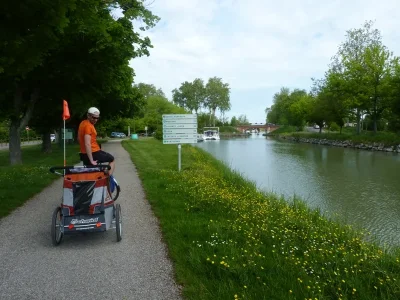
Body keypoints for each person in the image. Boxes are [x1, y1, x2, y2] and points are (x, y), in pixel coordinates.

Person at [78, 107, 115, 176]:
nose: (95, 120)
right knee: (112, 159)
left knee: (90, 173)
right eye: (93, 117)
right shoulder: (88, 126)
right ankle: (108, 178)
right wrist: (91, 160)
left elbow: (79, 138)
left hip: (83, 153)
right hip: (94, 152)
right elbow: (87, 144)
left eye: (97, 118)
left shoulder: (82, 123)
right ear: (88, 115)